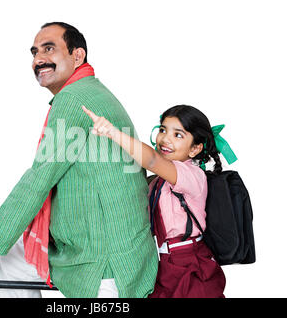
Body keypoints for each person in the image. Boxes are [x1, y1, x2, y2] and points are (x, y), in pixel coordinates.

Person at [0, 22, 158, 298]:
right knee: (13, 257)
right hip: (108, 248)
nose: (39, 59)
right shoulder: (90, 91)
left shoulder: (75, 99)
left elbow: (41, 176)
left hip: (104, 264)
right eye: (35, 52)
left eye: (49, 49)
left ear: (77, 56)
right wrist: (7, 225)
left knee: (6, 248)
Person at [83, 104, 227, 298]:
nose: (165, 139)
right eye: (162, 130)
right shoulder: (157, 183)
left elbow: (151, 160)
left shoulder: (192, 175)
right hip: (164, 264)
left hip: (190, 264)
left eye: (178, 135)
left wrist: (112, 132)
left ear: (195, 149)